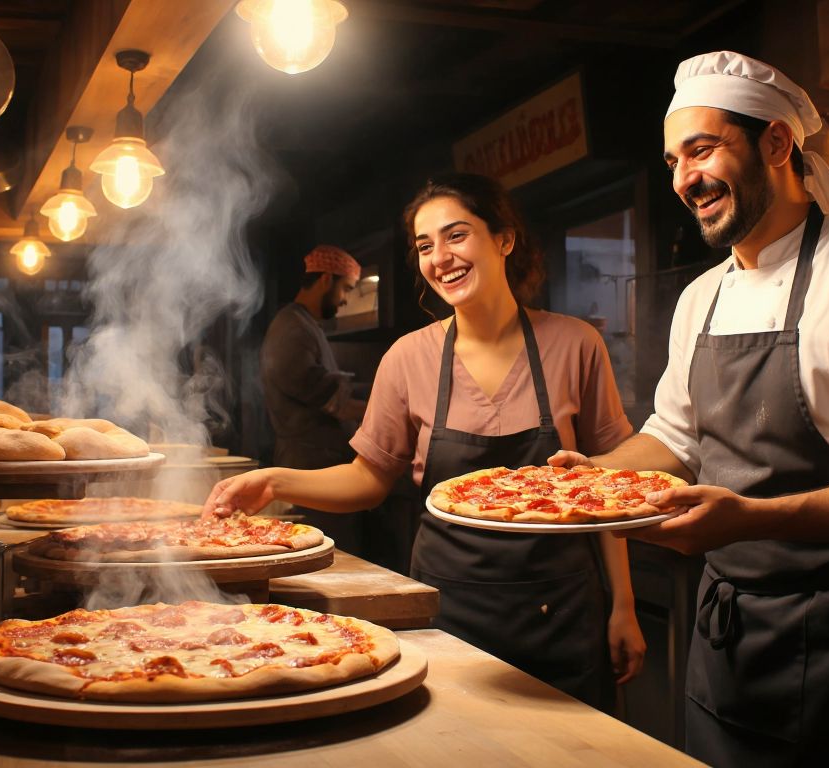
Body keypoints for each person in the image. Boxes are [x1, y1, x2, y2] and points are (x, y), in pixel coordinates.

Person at [549, 52, 829, 766]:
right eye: (673, 161)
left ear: (777, 143)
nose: (684, 179)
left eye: (702, 150)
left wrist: (754, 519)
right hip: (727, 633)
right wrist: (591, 479)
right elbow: (676, 436)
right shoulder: (703, 296)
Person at [210, 173, 645, 708]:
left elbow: (607, 491)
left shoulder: (576, 344)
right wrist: (275, 481)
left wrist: (624, 605)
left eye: (456, 235)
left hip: (563, 610)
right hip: (449, 605)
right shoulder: (408, 358)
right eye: (424, 245)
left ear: (504, 240)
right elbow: (367, 479)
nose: (440, 257)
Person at [259, 245, 370, 551]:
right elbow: (328, 397)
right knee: (321, 555)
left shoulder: (305, 324)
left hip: (319, 466)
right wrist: (383, 411)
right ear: (325, 279)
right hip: (308, 469)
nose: (345, 299)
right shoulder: (291, 327)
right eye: (346, 288)